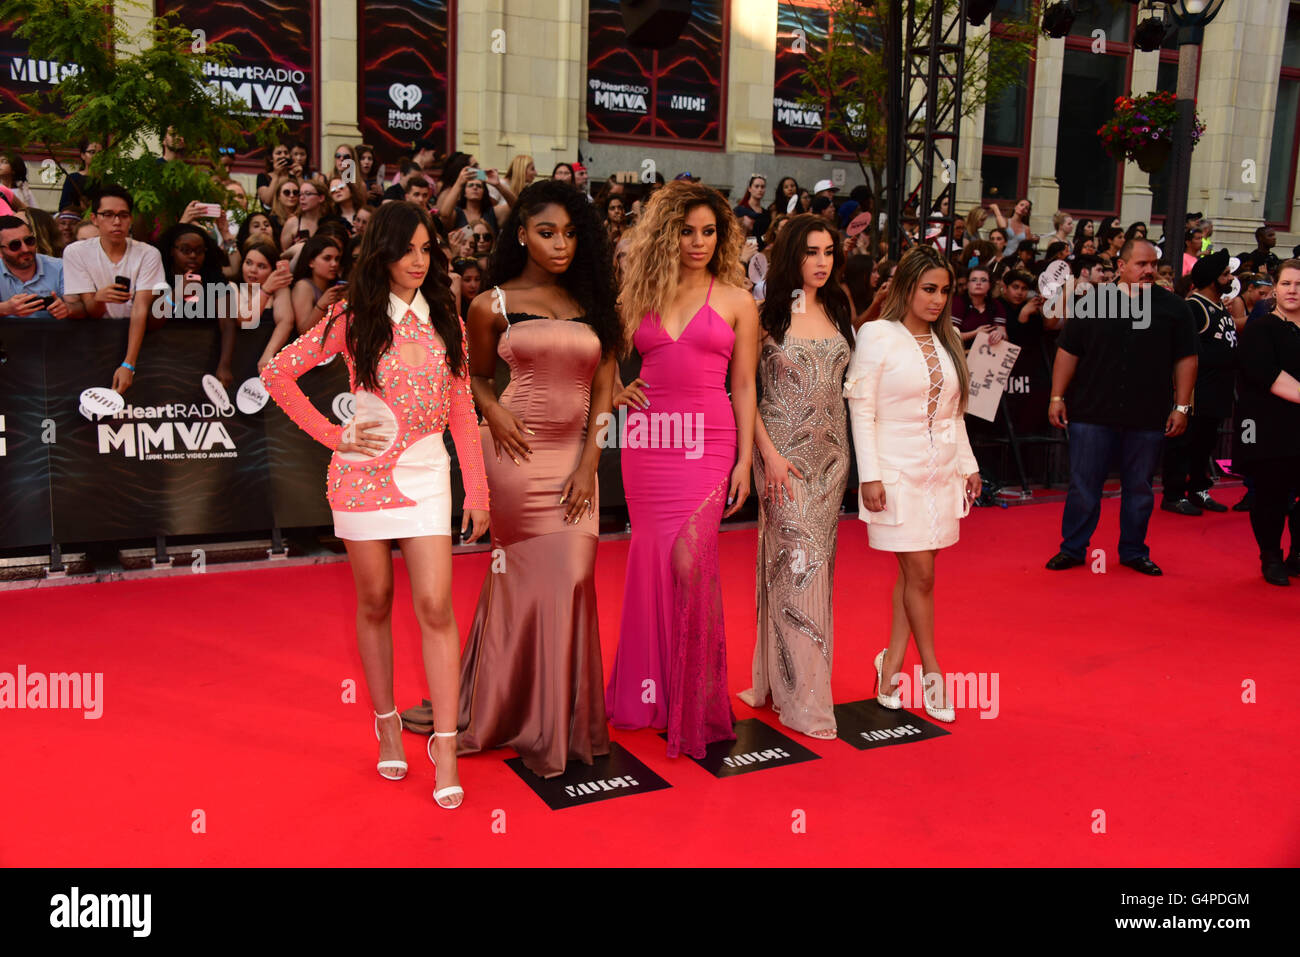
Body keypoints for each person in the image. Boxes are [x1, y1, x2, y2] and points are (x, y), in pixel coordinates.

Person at [260, 201, 490, 808]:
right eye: (407, 249)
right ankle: (386, 720)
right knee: (375, 600)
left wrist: (479, 489)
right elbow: (278, 373)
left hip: (428, 474)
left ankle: (444, 742)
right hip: (362, 477)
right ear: (382, 253)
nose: (419, 261)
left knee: (437, 605)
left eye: (427, 249)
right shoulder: (351, 314)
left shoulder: (448, 318)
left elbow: (462, 408)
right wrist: (336, 435)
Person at [441, 180, 621, 779]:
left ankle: (549, 714)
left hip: (577, 458)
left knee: (573, 577)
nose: (561, 244)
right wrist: (492, 412)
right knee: (527, 578)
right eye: (547, 233)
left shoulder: (596, 300)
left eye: (571, 234)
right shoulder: (490, 303)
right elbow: (477, 378)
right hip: (516, 455)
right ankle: (526, 713)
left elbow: (602, 396)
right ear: (521, 234)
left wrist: (591, 464)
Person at [606, 179, 758, 759]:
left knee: (692, 562)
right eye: (687, 231)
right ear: (668, 235)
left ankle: (694, 699)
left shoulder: (739, 300)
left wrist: (745, 458)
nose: (698, 242)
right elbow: (599, 355)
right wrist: (616, 390)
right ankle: (650, 696)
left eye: (709, 232)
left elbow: (744, 385)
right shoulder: (640, 292)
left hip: (710, 444)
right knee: (649, 559)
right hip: (648, 441)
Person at [844, 245, 980, 723]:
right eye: (928, 289)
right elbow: (862, 409)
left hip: (940, 474)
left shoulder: (949, 340)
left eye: (944, 290)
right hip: (896, 474)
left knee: (912, 577)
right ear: (906, 288)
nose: (938, 299)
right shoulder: (878, 334)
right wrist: (871, 476)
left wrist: (968, 465)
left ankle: (890, 668)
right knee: (921, 577)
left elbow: (954, 416)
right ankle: (933, 674)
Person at [740, 214, 853, 739]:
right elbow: (743, 390)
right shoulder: (767, 316)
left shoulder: (839, 305)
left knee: (813, 568)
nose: (823, 261)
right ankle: (804, 701)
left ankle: (783, 680)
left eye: (829, 251)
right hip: (782, 458)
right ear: (792, 256)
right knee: (798, 565)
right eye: (812, 252)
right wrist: (766, 454)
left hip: (833, 461)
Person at [1045, 239, 1198, 576]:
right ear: (1122, 266)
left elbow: (1186, 359)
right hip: (1091, 411)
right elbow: (1068, 351)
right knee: (1084, 485)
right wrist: (1057, 397)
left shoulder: (1174, 308)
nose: (1149, 271)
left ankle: (1133, 551)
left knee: (1140, 487)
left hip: (1147, 414)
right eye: (1141, 264)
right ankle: (1072, 548)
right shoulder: (1093, 302)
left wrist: (1182, 407)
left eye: (1153, 265)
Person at [1232, 259, 1300, 585]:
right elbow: (1266, 374)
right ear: (1275, 288)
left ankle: (1298, 553)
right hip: (1268, 425)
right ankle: (1270, 556)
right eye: (1287, 283)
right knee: (1271, 493)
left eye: (1299, 285)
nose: (1293, 290)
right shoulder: (1261, 327)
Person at [62, 185, 165, 393]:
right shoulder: (76, 252)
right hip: (94, 340)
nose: (116, 222)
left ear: (131, 218)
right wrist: (99, 299)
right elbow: (92, 311)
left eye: (123, 215)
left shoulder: (148, 254)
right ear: (94, 218)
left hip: (140, 340)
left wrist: (128, 364)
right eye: (108, 214)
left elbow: (140, 308)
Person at [1161, 249, 1237, 516]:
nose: (1230, 279)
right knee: (1184, 442)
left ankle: (1198, 489)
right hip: (1196, 390)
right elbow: (1182, 350)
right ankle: (1172, 493)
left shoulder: (1219, 306)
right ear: (1212, 278)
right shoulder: (1193, 307)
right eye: (1225, 275)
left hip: (1217, 390)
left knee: (1205, 443)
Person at [153, 223, 238, 386]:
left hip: (204, 359)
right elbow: (153, 321)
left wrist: (225, 365)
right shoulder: (159, 277)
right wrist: (177, 294)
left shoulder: (214, 278)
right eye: (185, 250)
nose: (193, 255)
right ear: (172, 250)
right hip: (163, 358)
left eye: (199, 251)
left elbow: (228, 323)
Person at [0, 215, 79, 318]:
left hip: (51, 332)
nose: (25, 249)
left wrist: (67, 309)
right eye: (15, 245)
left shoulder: (59, 267)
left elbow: (80, 307)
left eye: (29, 241)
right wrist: (5, 309)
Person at [950, 263, 1006, 345]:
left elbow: (1002, 331)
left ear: (990, 285)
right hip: (960, 351)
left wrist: (999, 334)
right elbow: (950, 337)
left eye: (983, 280)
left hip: (987, 353)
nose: (978, 283)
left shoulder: (996, 304)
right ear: (968, 284)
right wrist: (975, 333)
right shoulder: (957, 303)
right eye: (974, 280)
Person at [280, 176, 332, 250]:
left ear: (321, 198)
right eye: (300, 194)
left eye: (307, 194)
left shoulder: (330, 221)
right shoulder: (293, 222)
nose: (301, 198)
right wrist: (294, 249)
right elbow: (283, 255)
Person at [58, 140, 102, 214]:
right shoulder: (73, 178)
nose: (97, 156)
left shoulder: (108, 179)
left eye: (100, 153)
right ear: (83, 155)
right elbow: (63, 207)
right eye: (92, 152)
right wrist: (79, 209)